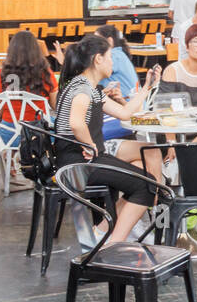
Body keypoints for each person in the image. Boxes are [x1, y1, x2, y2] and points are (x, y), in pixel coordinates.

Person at [53, 35, 161, 246]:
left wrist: (147, 87)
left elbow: (125, 113)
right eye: (110, 57)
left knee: (145, 177)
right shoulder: (83, 89)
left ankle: (101, 233)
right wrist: (90, 145)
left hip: (80, 159)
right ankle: (113, 246)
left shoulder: (89, 88)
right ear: (98, 59)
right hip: (77, 163)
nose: (113, 61)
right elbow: (76, 123)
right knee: (147, 186)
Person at [0, 30, 57, 176]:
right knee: (64, 129)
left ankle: (14, 159)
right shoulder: (46, 74)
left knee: (13, 124)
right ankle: (50, 172)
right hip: (40, 136)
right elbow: (55, 106)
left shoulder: (1, 75)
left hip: (9, 135)